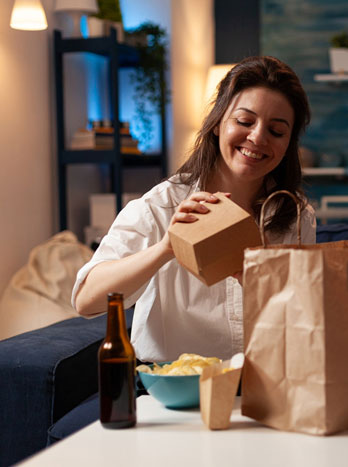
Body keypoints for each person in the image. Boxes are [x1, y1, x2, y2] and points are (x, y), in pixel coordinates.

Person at [72, 56, 316, 363]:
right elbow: (86, 301)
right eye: (244, 121)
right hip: (174, 391)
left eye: (277, 131)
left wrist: (262, 282)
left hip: (265, 385)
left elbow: (304, 319)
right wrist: (166, 247)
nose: (257, 137)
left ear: (288, 144)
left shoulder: (295, 216)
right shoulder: (160, 206)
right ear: (217, 124)